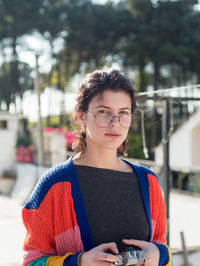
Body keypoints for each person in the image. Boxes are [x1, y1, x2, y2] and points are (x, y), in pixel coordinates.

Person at [22, 69, 172, 266]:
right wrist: (79, 262)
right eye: (104, 112)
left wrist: (159, 254)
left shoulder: (149, 182)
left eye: (123, 114)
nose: (115, 123)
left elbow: (162, 247)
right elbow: (31, 262)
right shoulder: (54, 185)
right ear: (82, 116)